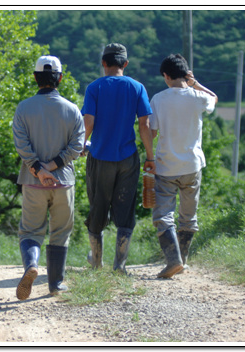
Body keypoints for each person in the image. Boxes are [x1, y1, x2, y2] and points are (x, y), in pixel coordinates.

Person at [12, 55, 85, 300]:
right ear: (60, 78)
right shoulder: (72, 109)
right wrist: (52, 168)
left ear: (35, 78)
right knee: (60, 232)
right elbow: (77, 147)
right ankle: (56, 283)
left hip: (33, 182)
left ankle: (31, 264)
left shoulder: (23, 108)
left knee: (31, 232)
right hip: (63, 181)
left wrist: (39, 171)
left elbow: (21, 144)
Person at [81, 43, 155, 274]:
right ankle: (120, 265)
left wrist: (81, 144)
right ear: (125, 64)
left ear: (103, 63)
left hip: (100, 157)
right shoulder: (137, 87)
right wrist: (150, 156)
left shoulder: (94, 87)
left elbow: (89, 122)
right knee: (126, 208)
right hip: (127, 158)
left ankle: (96, 262)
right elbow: (145, 124)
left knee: (98, 206)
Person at [149, 53, 218, 278]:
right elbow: (214, 98)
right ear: (186, 74)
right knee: (188, 216)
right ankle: (183, 260)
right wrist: (195, 83)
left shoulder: (158, 99)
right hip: (192, 165)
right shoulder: (197, 96)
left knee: (163, 215)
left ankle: (173, 259)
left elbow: (152, 130)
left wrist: (149, 158)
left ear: (166, 76)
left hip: (166, 166)